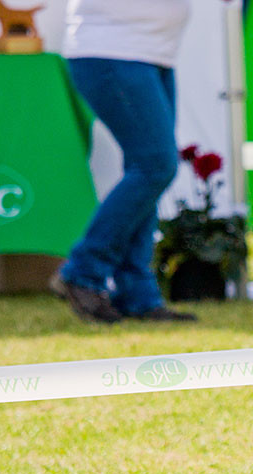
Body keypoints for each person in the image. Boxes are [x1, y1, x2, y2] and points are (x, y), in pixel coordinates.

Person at [52, 0, 196, 323]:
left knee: (148, 166)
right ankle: (83, 270)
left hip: (151, 53)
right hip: (111, 50)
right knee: (155, 165)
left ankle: (137, 295)